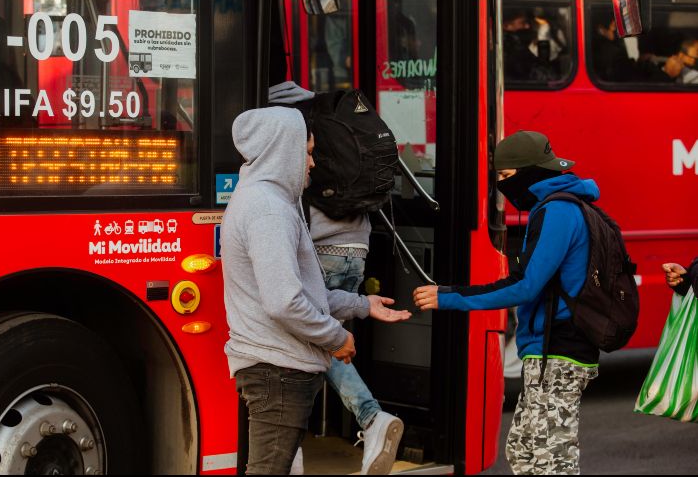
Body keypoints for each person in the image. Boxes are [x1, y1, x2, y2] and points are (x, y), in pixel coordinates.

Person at [222, 105, 411, 475]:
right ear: (283, 150)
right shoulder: (269, 210)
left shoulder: (264, 201)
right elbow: (284, 302)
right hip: (279, 370)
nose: (312, 163)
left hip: (276, 367)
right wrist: (334, 337)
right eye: (307, 152)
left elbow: (301, 293)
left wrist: (361, 304)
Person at [413, 130, 600, 475]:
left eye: (506, 176)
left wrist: (449, 297)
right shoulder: (554, 206)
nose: (501, 185)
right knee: (523, 452)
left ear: (531, 171)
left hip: (558, 352)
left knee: (549, 462)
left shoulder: (558, 212)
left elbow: (525, 287)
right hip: (546, 351)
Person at [268, 80, 406, 475]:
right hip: (356, 250)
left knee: (306, 344)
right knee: (321, 347)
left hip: (318, 249)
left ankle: (365, 419)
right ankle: (363, 423)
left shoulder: (282, 108)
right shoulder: (329, 110)